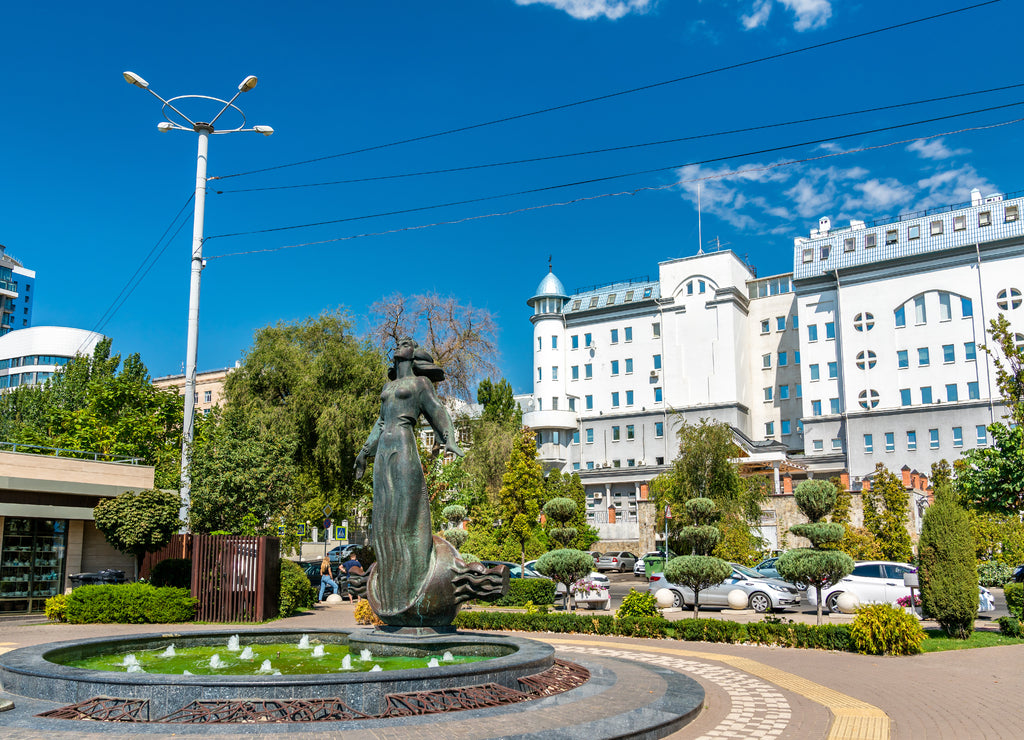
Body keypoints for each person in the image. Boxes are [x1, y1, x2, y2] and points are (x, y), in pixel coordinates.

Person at [354, 337, 464, 620]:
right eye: (400, 342)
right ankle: (392, 586)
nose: (401, 342)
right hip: (383, 453)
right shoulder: (387, 387)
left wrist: (449, 438)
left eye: (407, 342)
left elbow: (437, 411)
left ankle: (411, 579)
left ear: (413, 354)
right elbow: (379, 423)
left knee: (404, 514)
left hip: (403, 446)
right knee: (384, 515)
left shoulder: (420, 384)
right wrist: (364, 452)